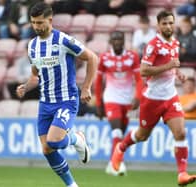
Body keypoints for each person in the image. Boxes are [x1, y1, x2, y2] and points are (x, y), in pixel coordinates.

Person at [16, 2, 98, 187]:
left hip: (66, 101)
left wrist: (86, 87)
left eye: (40, 22)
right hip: (45, 103)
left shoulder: (63, 41)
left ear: (50, 20)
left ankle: (77, 138)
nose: (36, 26)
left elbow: (92, 57)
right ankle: (71, 185)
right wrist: (25, 87)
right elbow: (36, 76)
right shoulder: (32, 46)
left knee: (54, 141)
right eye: (33, 23)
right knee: (47, 149)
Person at [110, 10, 196, 186]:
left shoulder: (175, 43)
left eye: (171, 23)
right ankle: (120, 148)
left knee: (181, 132)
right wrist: (169, 66)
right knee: (142, 136)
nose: (168, 26)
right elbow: (144, 71)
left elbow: (172, 63)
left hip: (170, 97)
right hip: (152, 99)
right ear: (158, 25)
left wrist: (177, 73)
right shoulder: (152, 45)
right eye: (164, 23)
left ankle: (182, 173)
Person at [95, 31, 142, 176]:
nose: (117, 42)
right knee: (117, 132)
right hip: (111, 98)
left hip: (127, 100)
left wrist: (137, 97)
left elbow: (139, 79)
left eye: (119, 39)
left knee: (121, 134)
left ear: (123, 41)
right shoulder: (104, 58)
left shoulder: (132, 56)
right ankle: (118, 164)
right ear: (111, 41)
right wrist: (98, 103)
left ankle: (111, 162)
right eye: (114, 39)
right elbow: (98, 81)